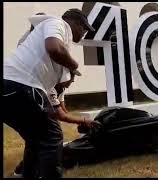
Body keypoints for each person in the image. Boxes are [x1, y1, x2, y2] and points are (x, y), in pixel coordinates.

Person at [3, 8, 95, 178]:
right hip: (21, 84)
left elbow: (59, 112)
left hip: (8, 86)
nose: (84, 33)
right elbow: (53, 47)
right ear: (76, 23)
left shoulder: (49, 81)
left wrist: (82, 120)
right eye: (84, 28)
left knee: (35, 138)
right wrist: (74, 66)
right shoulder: (58, 23)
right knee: (52, 138)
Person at [13, 71, 97, 178]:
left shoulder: (61, 89)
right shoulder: (50, 87)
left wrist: (75, 121)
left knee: (35, 141)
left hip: (39, 110)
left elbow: (63, 111)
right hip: (26, 108)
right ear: (63, 78)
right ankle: (39, 171)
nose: (72, 82)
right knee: (51, 139)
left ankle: (26, 172)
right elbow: (60, 115)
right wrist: (83, 120)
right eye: (71, 79)